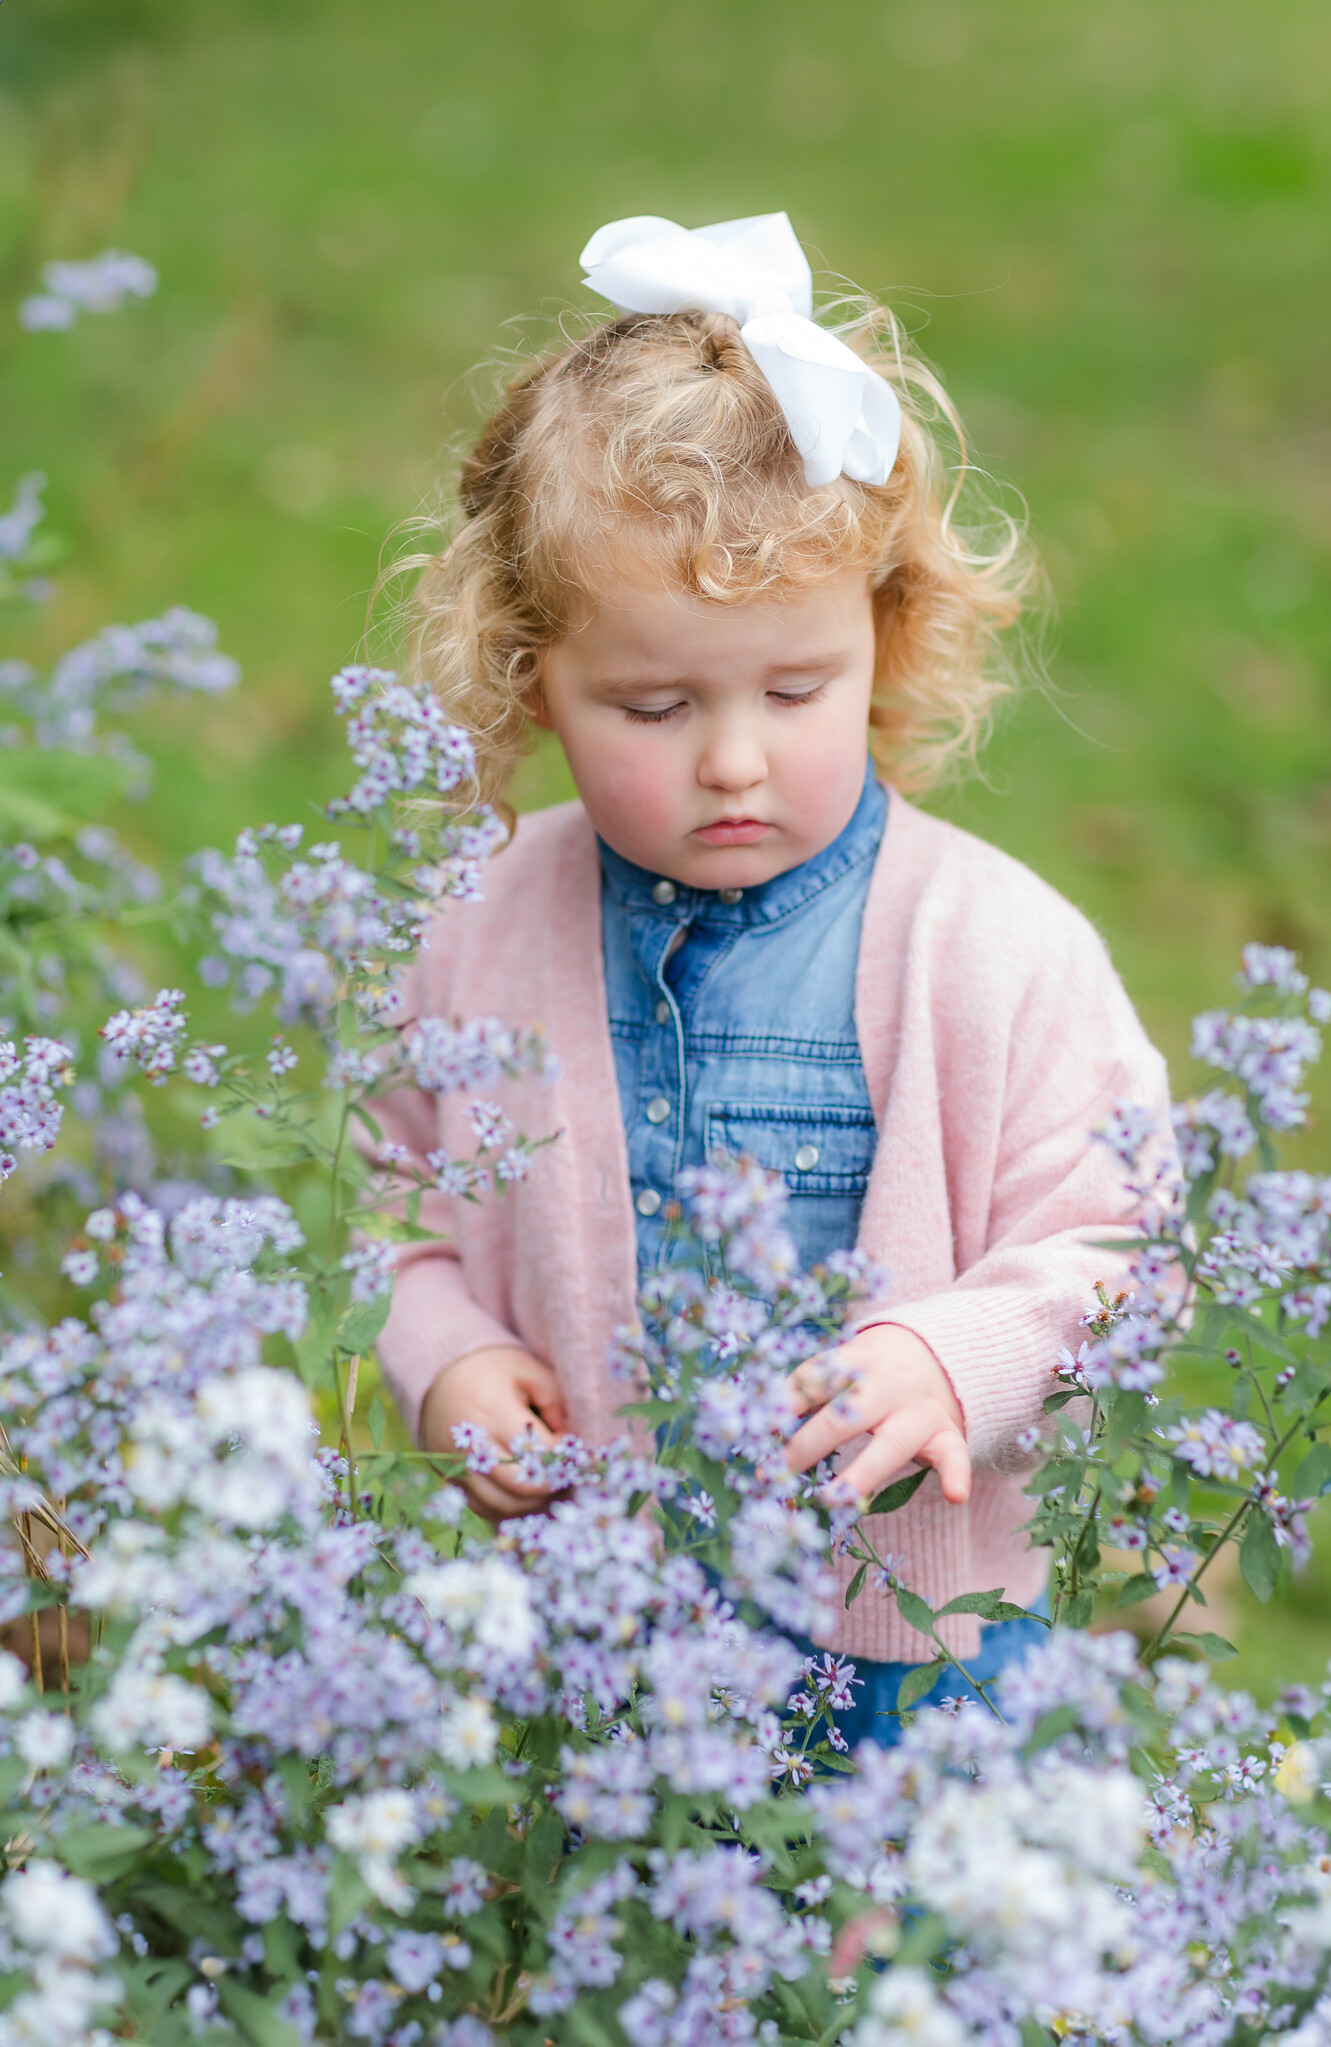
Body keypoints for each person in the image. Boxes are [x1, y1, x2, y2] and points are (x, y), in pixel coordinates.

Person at [373, 212, 1170, 1742]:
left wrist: (957, 1355)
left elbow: (1124, 1234)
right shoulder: (476, 929)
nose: (733, 761)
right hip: (589, 1631)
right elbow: (391, 1193)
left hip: (901, 1649)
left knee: (899, 1976)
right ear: (531, 671)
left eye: (796, 690)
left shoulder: (993, 950)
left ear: (887, 636)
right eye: (652, 704)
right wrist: (446, 1356)